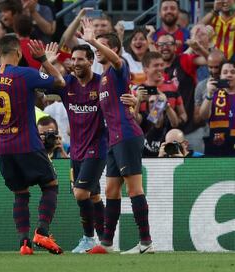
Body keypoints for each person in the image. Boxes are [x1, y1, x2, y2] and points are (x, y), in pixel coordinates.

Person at [0, 35, 65, 255]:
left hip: (3, 148)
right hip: (27, 143)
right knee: (50, 185)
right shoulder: (26, 74)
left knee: (20, 194)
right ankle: (42, 231)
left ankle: (24, 243)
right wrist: (45, 61)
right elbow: (59, 82)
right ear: (18, 53)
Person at [81, 20, 154, 254]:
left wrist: (93, 40)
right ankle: (107, 243)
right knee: (111, 190)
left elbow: (116, 59)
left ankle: (146, 242)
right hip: (114, 139)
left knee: (134, 189)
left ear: (113, 49)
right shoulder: (102, 78)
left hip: (127, 136)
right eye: (95, 47)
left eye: (102, 47)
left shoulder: (118, 67)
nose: (96, 50)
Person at [45, 44, 107, 253]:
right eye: (73, 59)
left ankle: (89, 238)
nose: (76, 63)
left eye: (81, 59)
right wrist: (49, 62)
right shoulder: (67, 84)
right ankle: (106, 239)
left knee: (81, 194)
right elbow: (39, 83)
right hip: (76, 150)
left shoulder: (101, 84)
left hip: (97, 148)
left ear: (91, 61)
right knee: (94, 196)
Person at [200, 60, 235, 156]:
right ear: (220, 76)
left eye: (233, 72)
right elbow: (203, 116)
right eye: (225, 72)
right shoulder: (213, 93)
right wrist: (209, 94)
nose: (229, 75)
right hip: (217, 144)